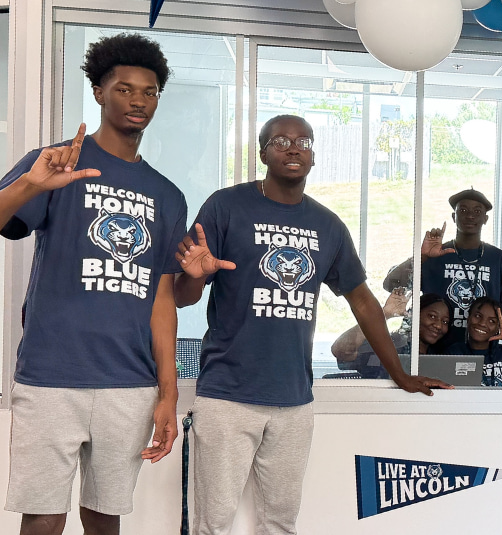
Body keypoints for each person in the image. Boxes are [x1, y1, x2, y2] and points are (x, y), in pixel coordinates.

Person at [0, 34, 186, 535]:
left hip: (130, 384)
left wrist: (168, 392)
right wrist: (29, 184)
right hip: (52, 376)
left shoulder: (167, 195)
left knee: (105, 521)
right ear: (98, 92)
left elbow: (162, 300)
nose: (138, 100)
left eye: (150, 91)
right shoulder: (54, 163)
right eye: (124, 88)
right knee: (43, 521)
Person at [172, 114, 451, 534]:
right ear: (263, 152)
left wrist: (401, 374)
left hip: (294, 401)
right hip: (227, 396)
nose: (293, 148)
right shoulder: (226, 206)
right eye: (281, 140)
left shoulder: (327, 226)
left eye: (304, 141)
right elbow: (181, 296)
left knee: (281, 523)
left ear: (314, 155)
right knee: (213, 524)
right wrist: (194, 275)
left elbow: (364, 302)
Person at [388, 189, 502, 350]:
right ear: (454, 217)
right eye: (463, 210)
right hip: (436, 351)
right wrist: (422, 256)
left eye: (477, 211)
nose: (470, 215)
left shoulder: (500, 260)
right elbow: (390, 284)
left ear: (485, 219)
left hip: (485, 353)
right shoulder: (436, 254)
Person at [331, 292, 451, 378]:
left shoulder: (442, 357)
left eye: (445, 321)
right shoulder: (390, 344)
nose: (439, 326)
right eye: (432, 316)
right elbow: (341, 351)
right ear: (415, 314)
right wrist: (384, 314)